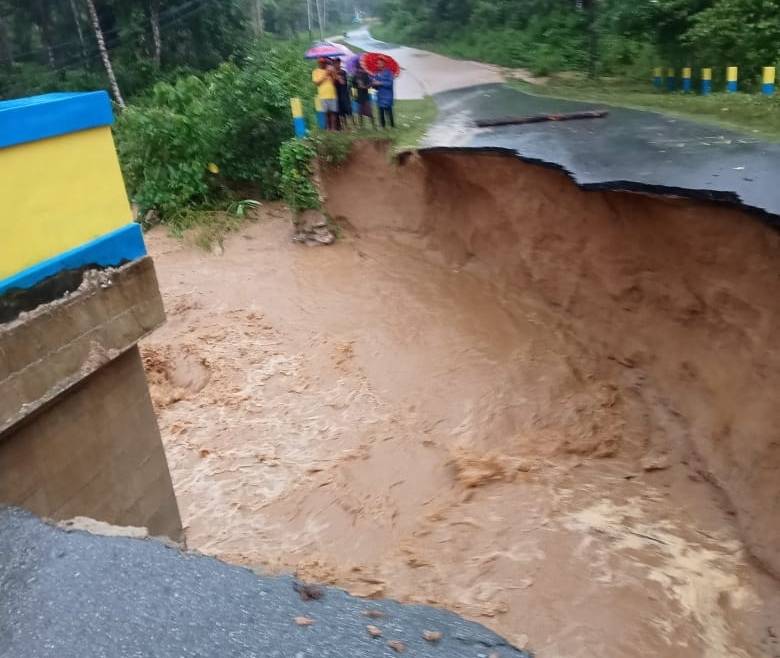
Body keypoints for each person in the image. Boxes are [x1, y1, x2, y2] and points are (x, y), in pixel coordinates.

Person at [312, 57, 338, 131]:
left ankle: (333, 129)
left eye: (324, 62)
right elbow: (317, 83)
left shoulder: (330, 70)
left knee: (333, 112)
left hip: (332, 94)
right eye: (321, 62)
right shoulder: (315, 71)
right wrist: (326, 74)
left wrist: (333, 73)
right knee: (326, 113)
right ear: (318, 63)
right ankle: (327, 129)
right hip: (323, 95)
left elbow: (334, 82)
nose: (323, 64)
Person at [372, 58, 395, 129]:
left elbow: (390, 84)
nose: (378, 65)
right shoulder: (376, 74)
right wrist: (374, 84)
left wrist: (380, 83)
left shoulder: (389, 73)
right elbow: (375, 87)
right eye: (377, 63)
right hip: (380, 95)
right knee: (381, 111)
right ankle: (382, 126)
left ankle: (392, 126)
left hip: (388, 95)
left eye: (380, 63)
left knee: (389, 111)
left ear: (384, 64)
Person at [352, 61, 375, 128]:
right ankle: (361, 126)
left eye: (361, 68)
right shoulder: (355, 76)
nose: (360, 70)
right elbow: (353, 86)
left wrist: (364, 86)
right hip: (358, 97)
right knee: (359, 112)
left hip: (366, 96)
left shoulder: (366, 75)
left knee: (369, 112)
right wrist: (356, 83)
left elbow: (369, 85)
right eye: (358, 68)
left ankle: (373, 126)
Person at [332, 58, 354, 130]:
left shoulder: (343, 72)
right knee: (340, 111)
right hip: (337, 94)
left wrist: (338, 78)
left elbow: (343, 82)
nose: (336, 65)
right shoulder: (333, 73)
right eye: (335, 63)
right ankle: (344, 127)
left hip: (344, 93)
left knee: (348, 109)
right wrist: (335, 78)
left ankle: (352, 126)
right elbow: (332, 84)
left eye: (337, 63)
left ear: (340, 63)